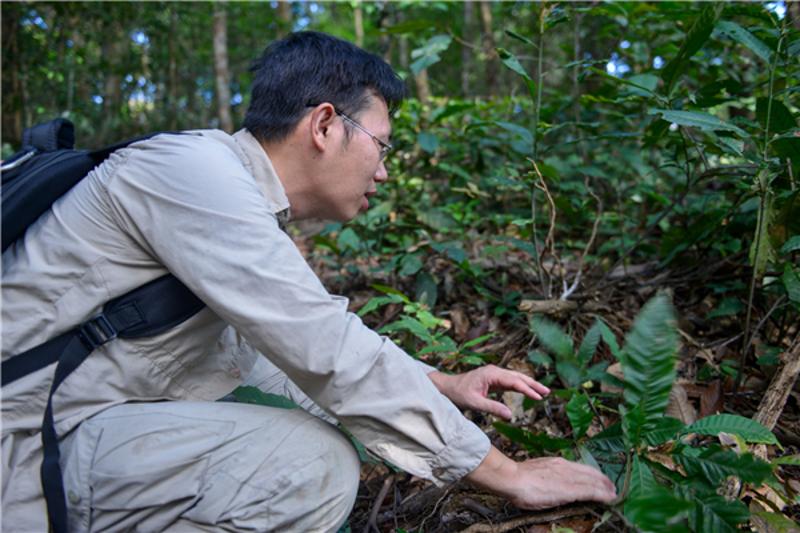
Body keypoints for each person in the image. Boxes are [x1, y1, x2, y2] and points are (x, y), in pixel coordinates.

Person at [1, 31, 616, 532]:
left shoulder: (230, 196)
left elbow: (268, 358)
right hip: (21, 449)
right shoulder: (194, 173)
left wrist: (441, 383)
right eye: (382, 145)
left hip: (62, 434)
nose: (383, 170)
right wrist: (508, 474)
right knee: (307, 466)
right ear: (324, 125)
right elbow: (323, 345)